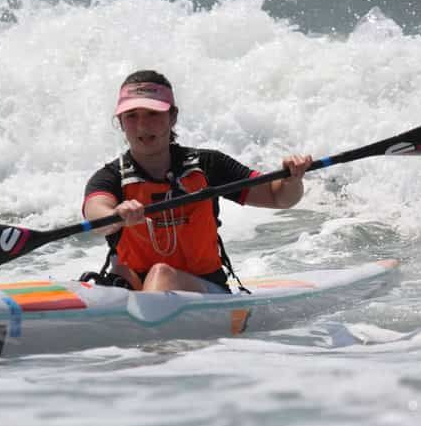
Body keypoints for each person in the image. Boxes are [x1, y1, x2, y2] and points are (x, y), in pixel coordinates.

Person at [82, 70, 312, 294]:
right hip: (135, 288)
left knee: (160, 274)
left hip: (205, 289)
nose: (143, 126)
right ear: (121, 122)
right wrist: (116, 215)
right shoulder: (110, 176)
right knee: (121, 275)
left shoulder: (208, 164)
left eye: (153, 114)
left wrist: (292, 178)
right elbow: (96, 213)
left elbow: (278, 197)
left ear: (172, 117)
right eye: (132, 116)